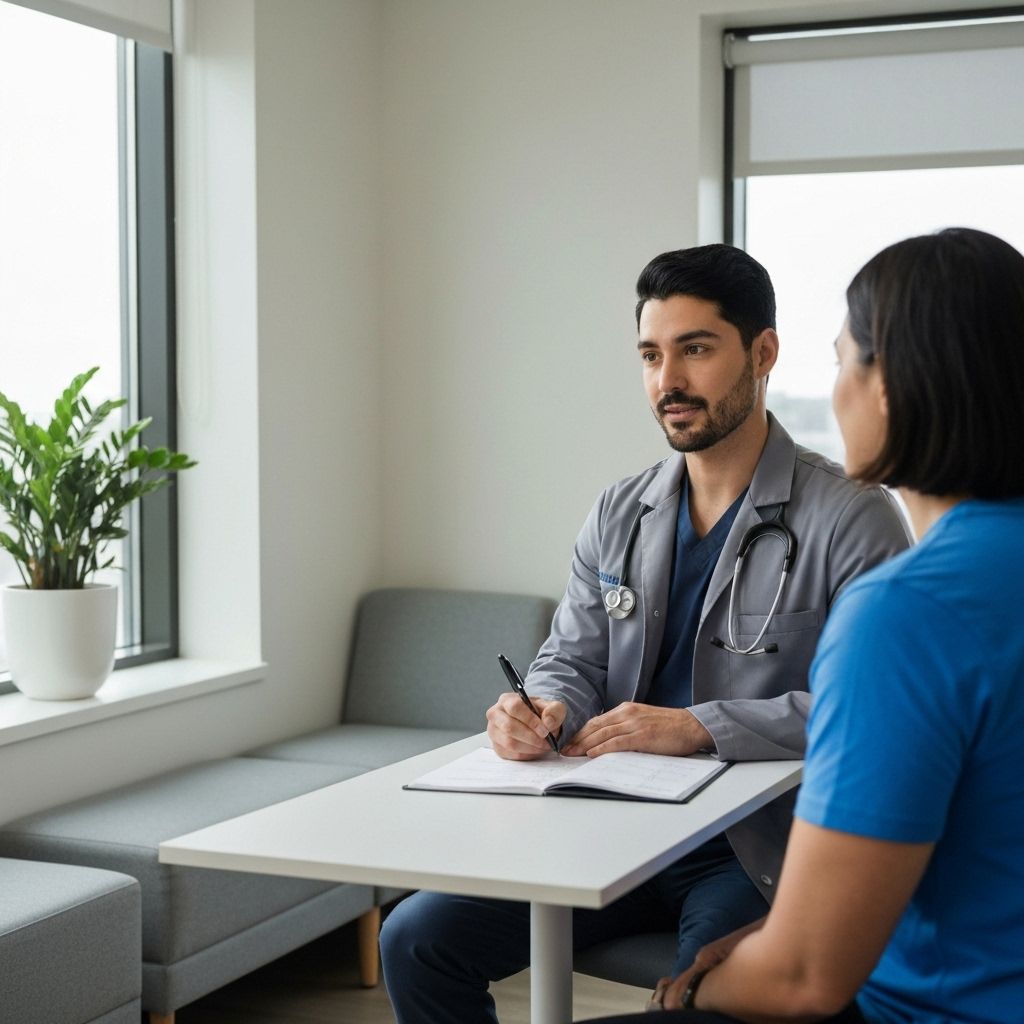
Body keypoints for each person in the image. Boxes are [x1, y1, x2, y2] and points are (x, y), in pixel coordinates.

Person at [379, 244, 910, 1024]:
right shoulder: (619, 510)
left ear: (763, 353)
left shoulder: (851, 517)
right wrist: (540, 706)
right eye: (652, 355)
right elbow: (572, 655)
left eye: (696, 350)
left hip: (747, 848)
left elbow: (869, 715)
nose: (669, 382)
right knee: (416, 939)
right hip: (605, 821)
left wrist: (700, 727)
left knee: (703, 997)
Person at [582, 226, 1024, 1024]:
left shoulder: (905, 611)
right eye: (650, 355)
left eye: (842, 359)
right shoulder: (621, 507)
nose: (837, 393)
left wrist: (700, 992)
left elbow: (804, 980)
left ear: (896, 384)